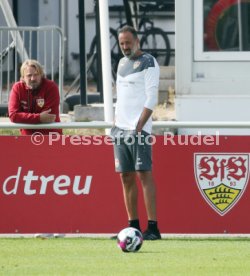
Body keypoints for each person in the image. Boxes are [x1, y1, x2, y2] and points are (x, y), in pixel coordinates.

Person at [111, 25, 161, 240]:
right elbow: (122, 97)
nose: (124, 47)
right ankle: (133, 227)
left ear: (137, 40)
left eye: (128, 43)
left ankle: (153, 228)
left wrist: (139, 126)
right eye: (121, 43)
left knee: (143, 174)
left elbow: (152, 99)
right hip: (120, 129)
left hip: (138, 129)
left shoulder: (149, 62)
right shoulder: (121, 63)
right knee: (125, 177)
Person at [8, 59, 62, 135]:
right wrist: (39, 118)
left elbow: (49, 117)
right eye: (29, 75)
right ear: (22, 77)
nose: (33, 78)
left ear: (42, 75)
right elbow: (13, 116)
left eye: (36, 74)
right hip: (27, 138)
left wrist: (24, 117)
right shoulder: (17, 88)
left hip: (51, 137)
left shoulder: (51, 87)